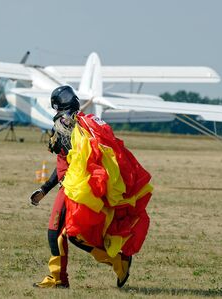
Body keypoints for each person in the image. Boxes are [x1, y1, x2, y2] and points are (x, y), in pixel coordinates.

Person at [30, 85, 152, 289]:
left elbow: (66, 161)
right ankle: (117, 262)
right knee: (76, 237)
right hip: (84, 187)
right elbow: (65, 162)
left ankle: (59, 278)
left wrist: (48, 187)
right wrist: (44, 189)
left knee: (56, 232)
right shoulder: (86, 124)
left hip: (75, 189)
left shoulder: (65, 125)